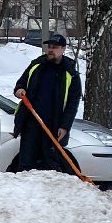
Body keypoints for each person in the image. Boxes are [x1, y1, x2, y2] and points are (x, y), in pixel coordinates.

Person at [9, 34, 82, 174]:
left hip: (53, 126)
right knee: (25, 162)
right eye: (49, 47)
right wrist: (19, 90)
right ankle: (24, 191)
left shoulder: (70, 73)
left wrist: (65, 126)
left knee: (50, 164)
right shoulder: (36, 65)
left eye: (55, 47)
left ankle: (47, 193)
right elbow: (21, 83)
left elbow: (73, 104)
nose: (50, 50)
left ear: (63, 49)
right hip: (31, 123)